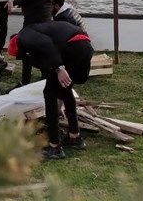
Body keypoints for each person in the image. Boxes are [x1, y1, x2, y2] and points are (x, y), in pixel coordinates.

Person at [9, 20, 93, 160]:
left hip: (72, 48)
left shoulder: (24, 36)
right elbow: (48, 55)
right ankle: (75, 137)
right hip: (85, 46)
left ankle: (54, 147)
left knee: (49, 94)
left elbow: (46, 45)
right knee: (65, 90)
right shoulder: (40, 31)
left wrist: (59, 68)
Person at [12, 0, 58, 84]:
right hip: (46, 18)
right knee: (43, 47)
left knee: (26, 47)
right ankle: (45, 77)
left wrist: (13, 2)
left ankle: (25, 81)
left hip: (33, 18)